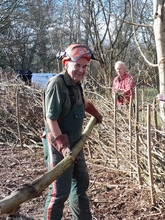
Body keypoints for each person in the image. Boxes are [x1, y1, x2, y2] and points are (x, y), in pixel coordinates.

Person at [42, 44, 103, 220]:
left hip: (75, 143)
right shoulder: (57, 84)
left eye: (85, 67)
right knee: (59, 192)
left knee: (81, 183)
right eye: (77, 65)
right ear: (66, 63)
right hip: (58, 145)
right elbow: (51, 119)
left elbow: (84, 104)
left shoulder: (76, 85)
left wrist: (97, 114)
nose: (81, 70)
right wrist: (63, 147)